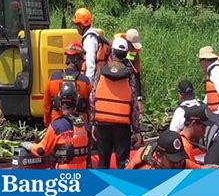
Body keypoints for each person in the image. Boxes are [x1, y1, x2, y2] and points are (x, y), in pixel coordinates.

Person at [90, 37, 142, 169]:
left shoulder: (101, 72)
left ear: (112, 52)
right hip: (122, 127)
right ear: (125, 54)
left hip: (102, 125)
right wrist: (136, 130)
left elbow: (92, 98)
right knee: (122, 163)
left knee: (103, 162)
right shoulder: (129, 75)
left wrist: (92, 123)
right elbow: (134, 103)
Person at [20, 83, 89, 169]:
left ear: (58, 102)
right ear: (77, 102)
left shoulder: (57, 126)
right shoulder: (84, 124)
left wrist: (29, 146)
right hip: (83, 169)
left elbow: (41, 150)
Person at [43, 41, 92, 127]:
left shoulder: (53, 79)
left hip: (57, 124)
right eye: (82, 61)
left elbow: (46, 106)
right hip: (80, 125)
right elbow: (90, 107)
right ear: (77, 60)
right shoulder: (85, 82)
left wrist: (48, 124)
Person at [183, 104, 219, 168]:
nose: (205, 131)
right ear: (194, 124)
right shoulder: (184, 145)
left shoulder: (186, 142)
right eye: (203, 127)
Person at [125, 130, 201, 169]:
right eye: (173, 161)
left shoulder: (179, 164)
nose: (178, 165)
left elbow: (201, 169)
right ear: (158, 157)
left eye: (179, 159)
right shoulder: (147, 170)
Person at [72, 8, 110, 82]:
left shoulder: (89, 39)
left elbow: (90, 63)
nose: (76, 28)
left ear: (82, 26)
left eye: (77, 25)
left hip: (94, 78)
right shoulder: (93, 35)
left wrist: (88, 82)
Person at [113, 29, 144, 112]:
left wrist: (139, 99)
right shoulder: (114, 47)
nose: (134, 48)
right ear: (127, 41)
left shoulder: (134, 52)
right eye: (132, 45)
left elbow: (137, 75)